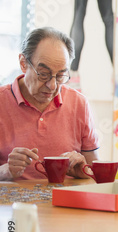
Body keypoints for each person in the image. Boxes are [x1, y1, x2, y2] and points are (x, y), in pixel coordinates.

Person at [0, 27, 100, 181]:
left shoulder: (79, 103)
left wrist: (83, 172)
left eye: (60, 76)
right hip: (13, 204)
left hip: (68, 202)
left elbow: (96, 173)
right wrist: (5, 171)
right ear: (23, 63)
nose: (52, 85)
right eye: (43, 74)